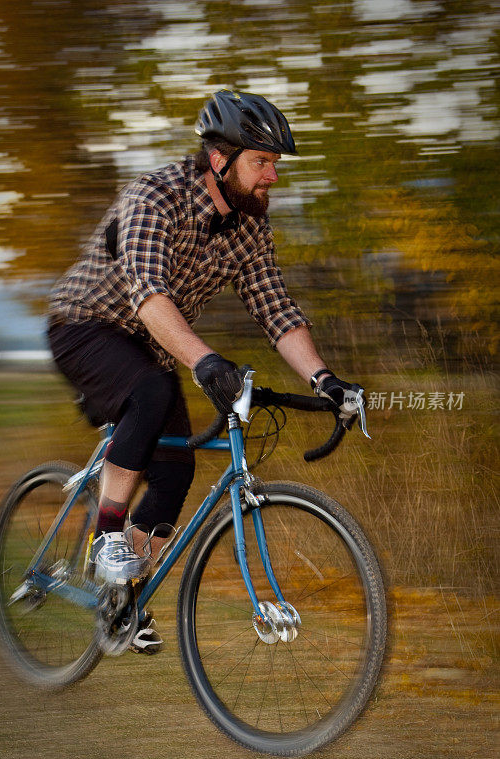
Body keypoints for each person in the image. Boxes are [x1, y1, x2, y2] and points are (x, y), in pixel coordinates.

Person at [47, 89, 359, 653]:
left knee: (176, 471)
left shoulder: (248, 229)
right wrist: (206, 361)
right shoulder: (154, 197)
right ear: (220, 159)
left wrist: (324, 380)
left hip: (155, 350)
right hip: (86, 325)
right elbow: (147, 294)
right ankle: (106, 540)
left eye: (275, 165)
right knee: (152, 386)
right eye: (262, 162)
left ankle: (122, 597)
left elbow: (277, 311)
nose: (273, 177)